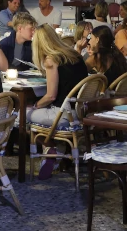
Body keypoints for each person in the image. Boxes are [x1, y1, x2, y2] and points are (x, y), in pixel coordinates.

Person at [28, 24, 90, 179]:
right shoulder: (74, 55)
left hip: (64, 115)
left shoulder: (51, 60)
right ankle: (59, 147)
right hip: (83, 112)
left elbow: (51, 96)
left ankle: (50, 148)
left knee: (22, 115)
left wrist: (35, 106)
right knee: (37, 112)